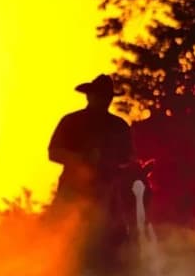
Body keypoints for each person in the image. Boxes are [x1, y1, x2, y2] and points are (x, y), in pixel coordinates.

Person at [47, 73, 134, 207]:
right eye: (99, 95)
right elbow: (53, 153)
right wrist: (83, 159)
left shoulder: (119, 125)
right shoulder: (71, 121)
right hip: (73, 190)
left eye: (106, 96)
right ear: (89, 96)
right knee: (57, 222)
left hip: (106, 190)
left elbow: (128, 157)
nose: (103, 99)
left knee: (118, 223)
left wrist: (106, 160)